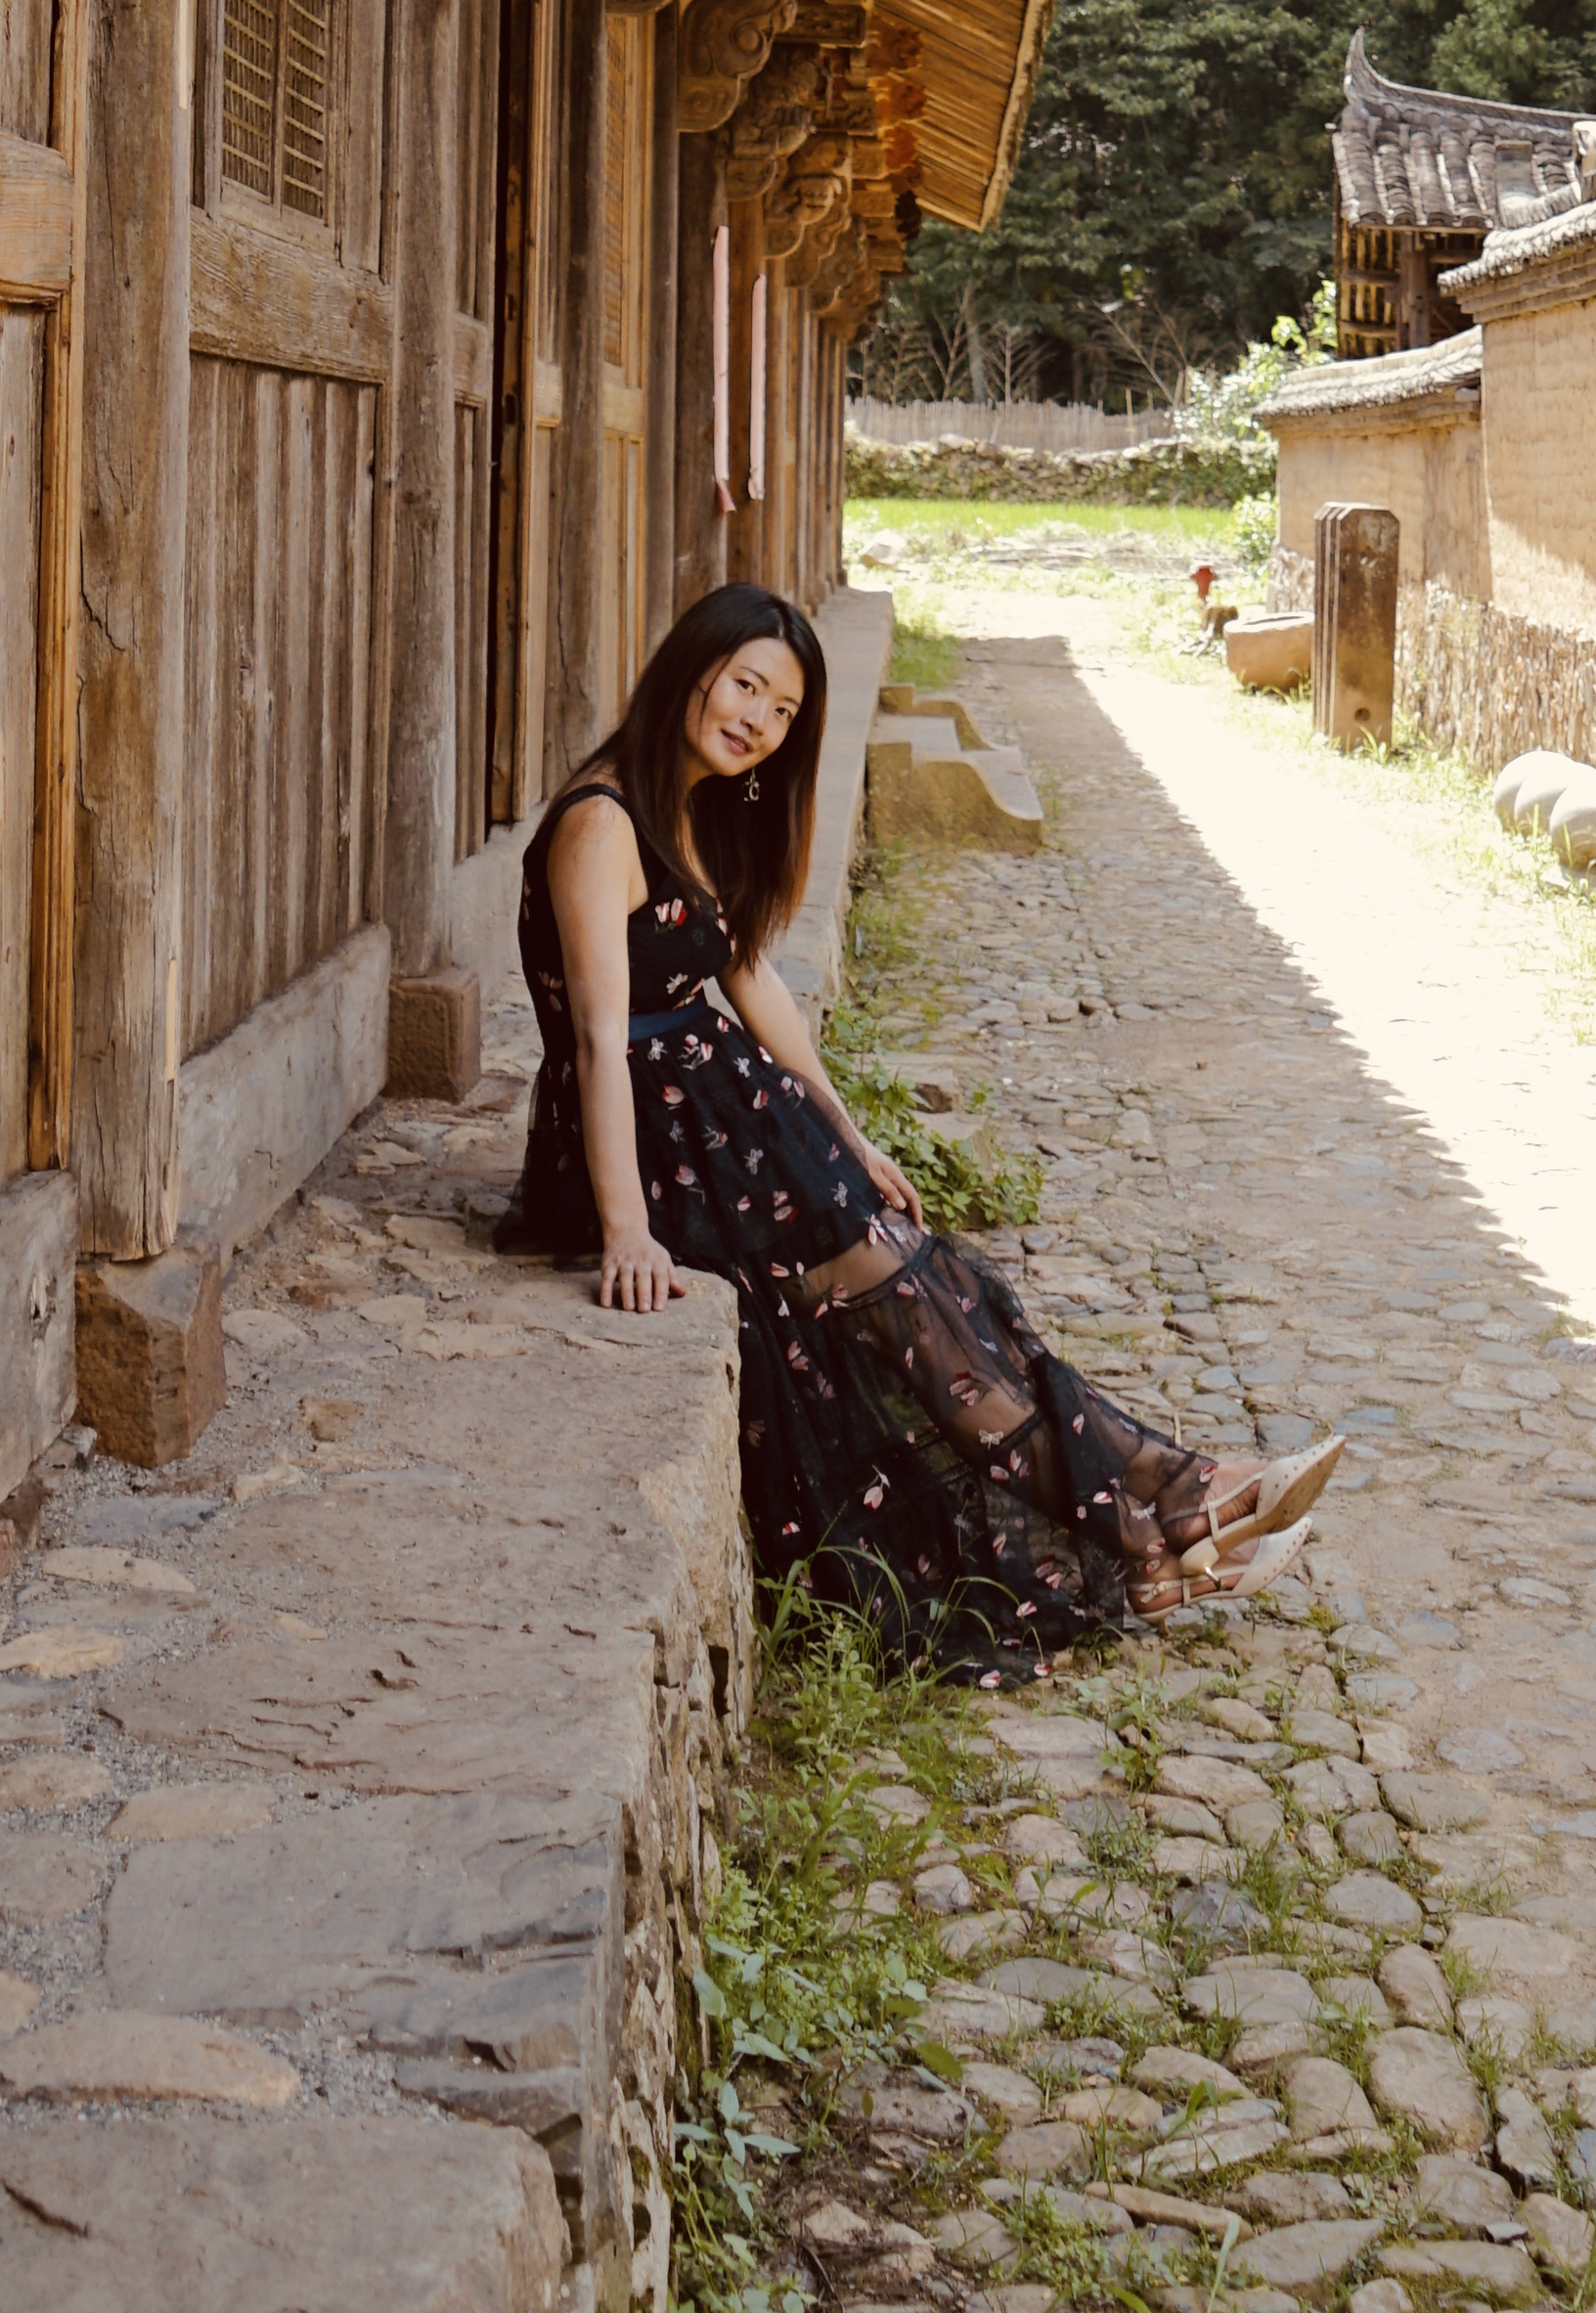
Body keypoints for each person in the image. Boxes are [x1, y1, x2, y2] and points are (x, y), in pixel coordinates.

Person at [501, 586, 1339, 1665]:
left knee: (917, 1276)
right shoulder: (600, 823)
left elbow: (749, 979)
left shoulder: (690, 808)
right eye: (746, 683)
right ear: (691, 670)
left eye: (784, 709)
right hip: (655, 1145)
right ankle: (1168, 1513)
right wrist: (624, 1226)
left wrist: (847, 1133)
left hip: (721, 1117)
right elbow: (596, 1042)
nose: (758, 718)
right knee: (895, 1292)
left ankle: (1167, 1516)